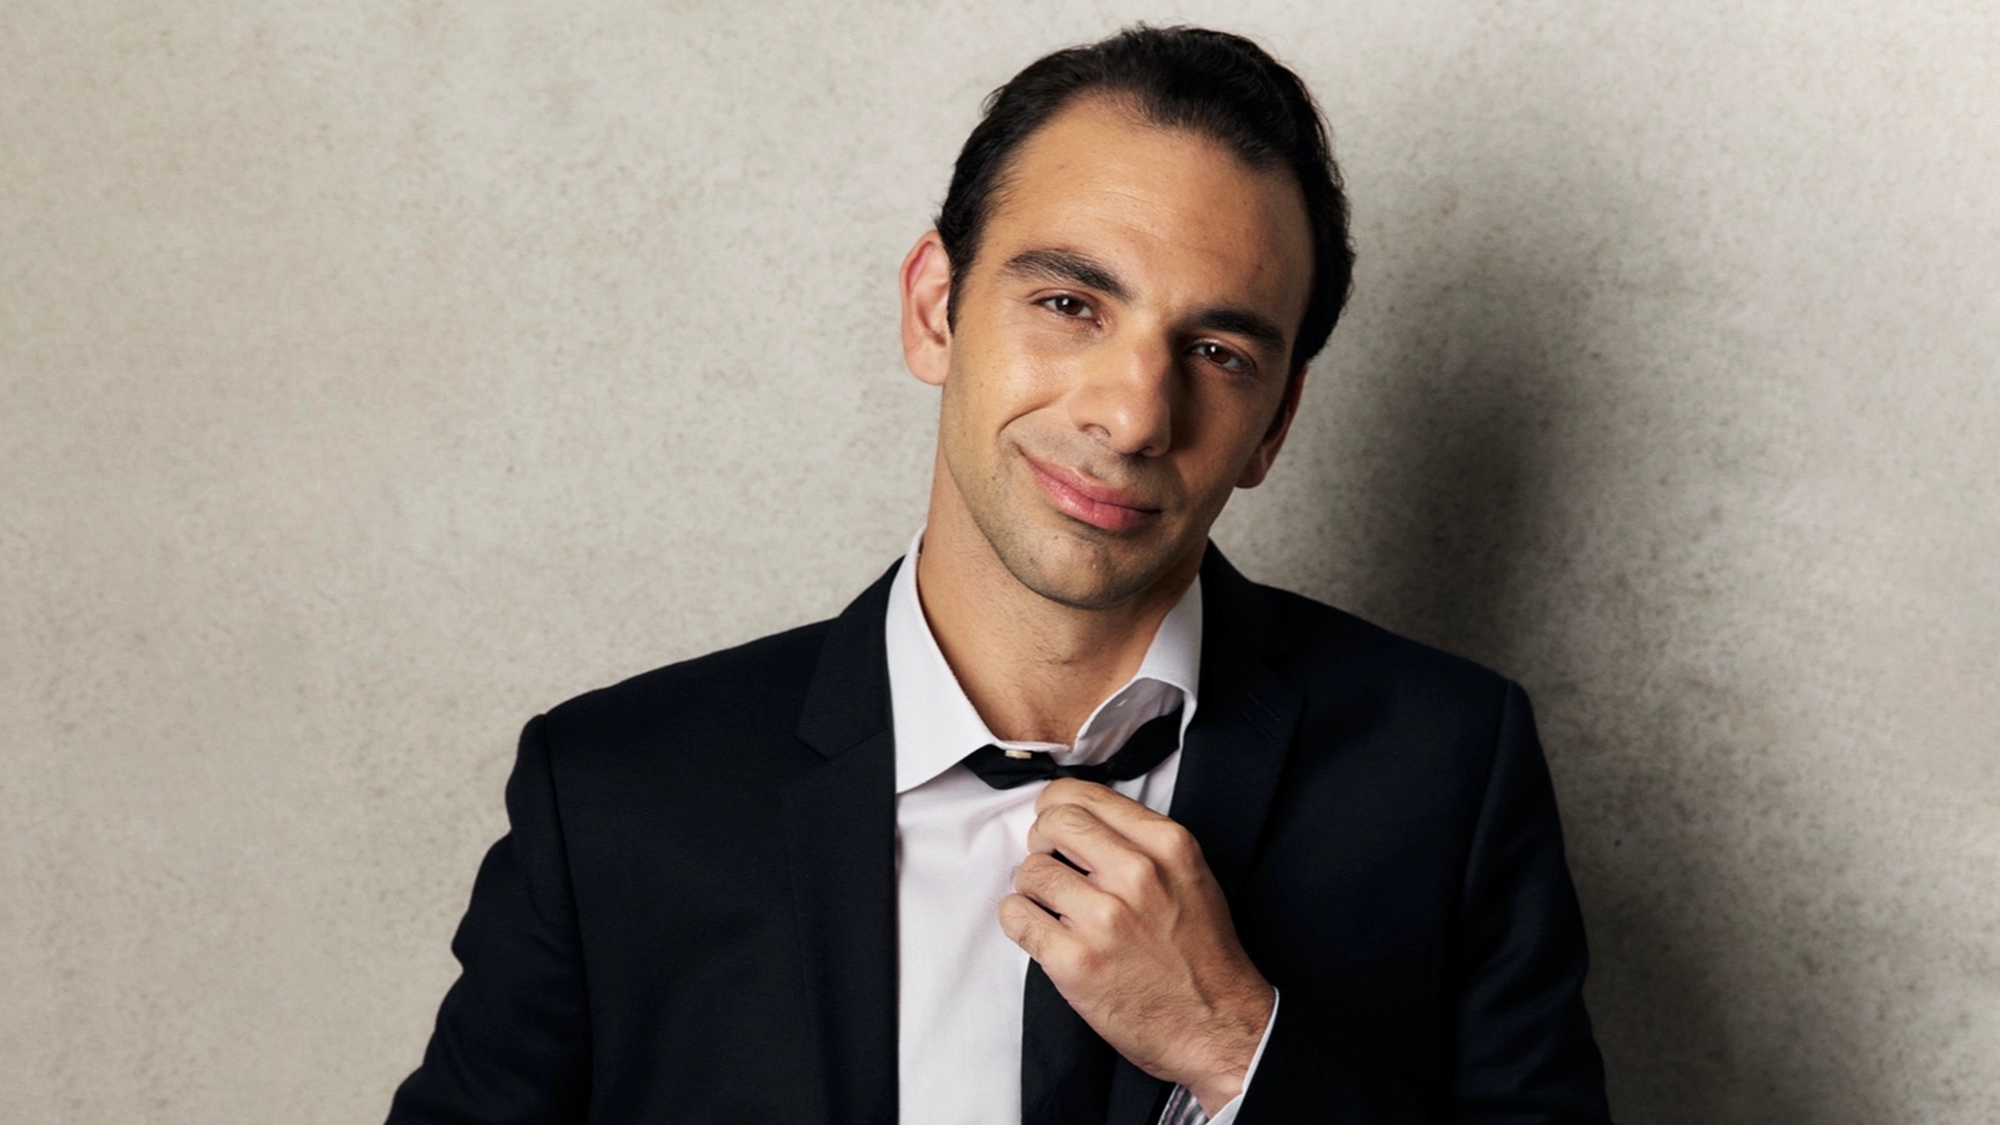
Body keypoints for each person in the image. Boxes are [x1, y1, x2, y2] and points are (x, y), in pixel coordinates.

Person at [385, 25, 1611, 1125]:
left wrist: (1234, 1047)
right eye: (1069, 303)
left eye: (1215, 351)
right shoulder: (613, 796)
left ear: (1274, 426)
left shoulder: (1449, 768)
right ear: (935, 308)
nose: (1132, 415)